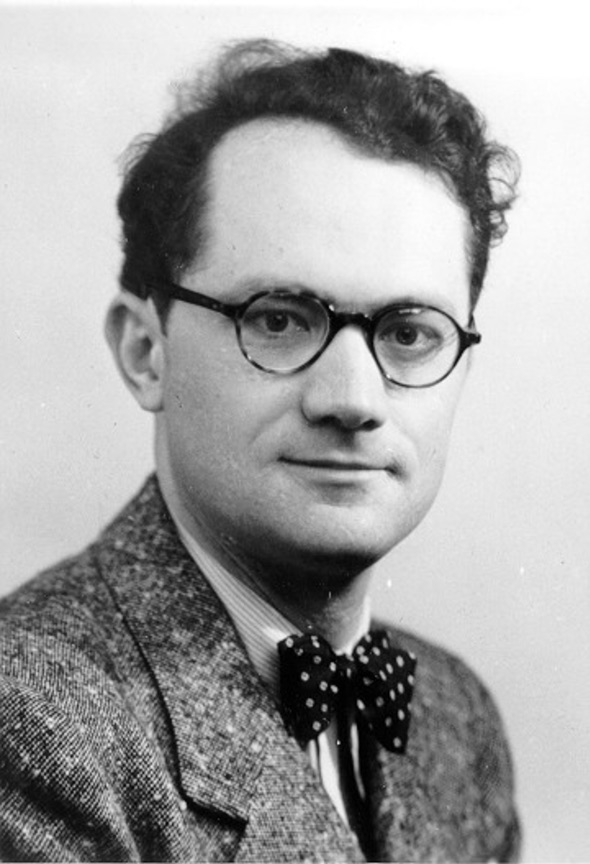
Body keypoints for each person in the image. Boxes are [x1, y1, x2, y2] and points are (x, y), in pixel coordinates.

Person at [0, 39, 521, 862]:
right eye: (278, 320)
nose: (353, 399)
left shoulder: (457, 722)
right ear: (146, 352)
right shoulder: (31, 715)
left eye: (409, 333)